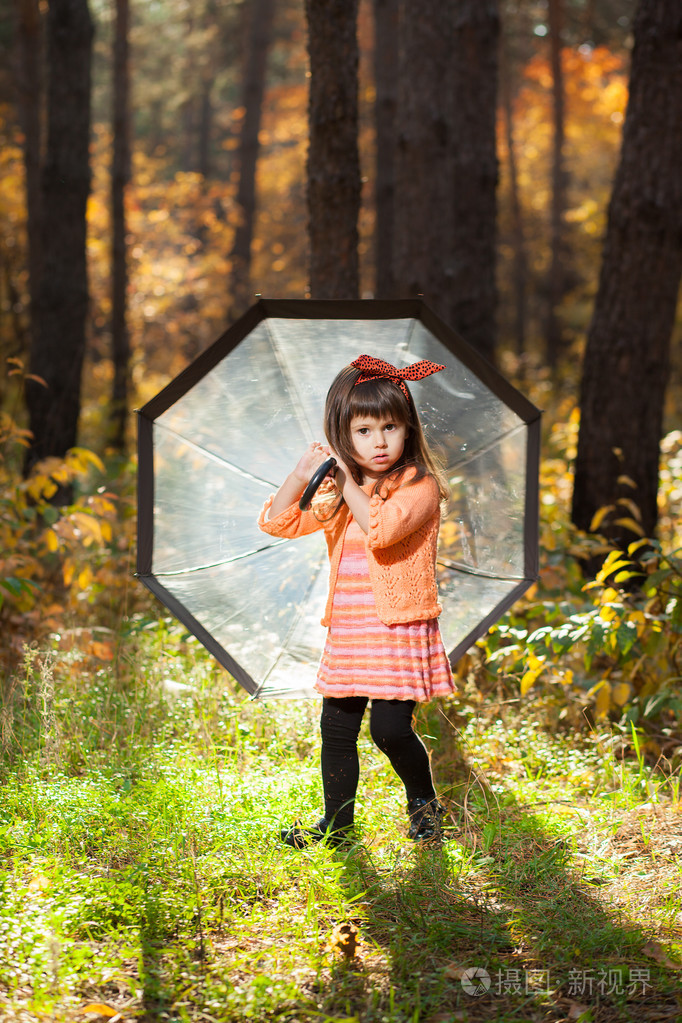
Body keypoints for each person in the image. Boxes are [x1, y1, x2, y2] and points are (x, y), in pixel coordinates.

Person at [258, 354, 455, 847]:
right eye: (364, 431)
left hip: (397, 627)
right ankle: (337, 825)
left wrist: (346, 482)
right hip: (350, 628)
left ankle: (424, 803)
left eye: (390, 427)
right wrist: (304, 472)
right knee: (337, 731)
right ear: (344, 436)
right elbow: (278, 522)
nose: (380, 442)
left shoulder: (419, 487)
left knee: (389, 730)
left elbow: (383, 531)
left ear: (408, 429)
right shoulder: (340, 490)